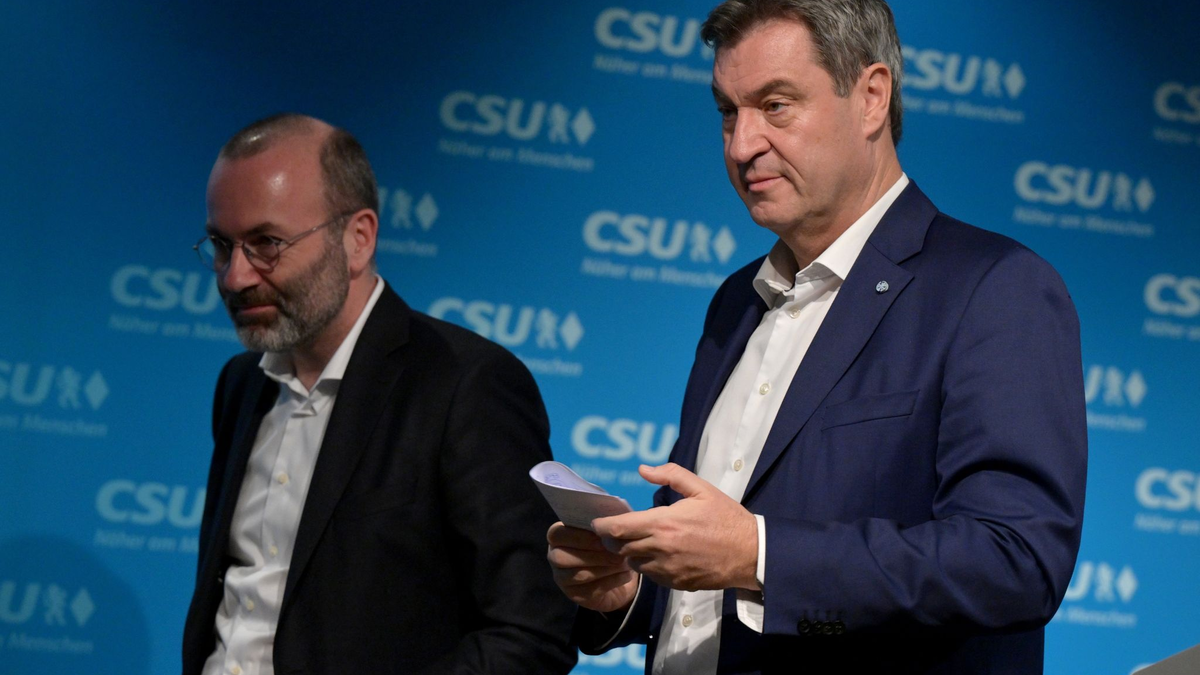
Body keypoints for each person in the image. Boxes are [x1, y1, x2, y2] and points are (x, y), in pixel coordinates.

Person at [547, 1, 1087, 673]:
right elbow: (708, 585)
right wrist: (627, 591)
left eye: (775, 105)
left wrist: (760, 555)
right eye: (727, 112)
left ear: (870, 97)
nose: (742, 145)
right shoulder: (733, 305)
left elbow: (1016, 560)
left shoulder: (995, 289)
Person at [181, 114, 576, 675]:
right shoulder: (240, 386)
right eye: (222, 246)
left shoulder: (466, 384)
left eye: (266, 244)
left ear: (357, 237)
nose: (235, 276)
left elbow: (530, 635)